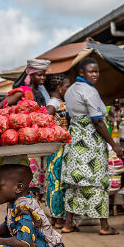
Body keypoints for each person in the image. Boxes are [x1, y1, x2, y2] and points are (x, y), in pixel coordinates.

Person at [61, 58, 123, 235]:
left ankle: (68, 224)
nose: (95, 75)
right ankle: (104, 227)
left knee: (74, 183)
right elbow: (98, 122)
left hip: (74, 140)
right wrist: (114, 145)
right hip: (89, 143)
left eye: (97, 71)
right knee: (97, 181)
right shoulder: (90, 91)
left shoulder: (71, 90)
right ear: (82, 73)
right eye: (91, 71)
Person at [44, 74, 71, 228]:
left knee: (55, 181)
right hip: (58, 148)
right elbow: (47, 115)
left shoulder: (59, 102)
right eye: (67, 87)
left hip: (58, 147)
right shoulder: (54, 102)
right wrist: (56, 129)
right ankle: (59, 218)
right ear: (60, 88)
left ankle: (55, 217)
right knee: (58, 183)